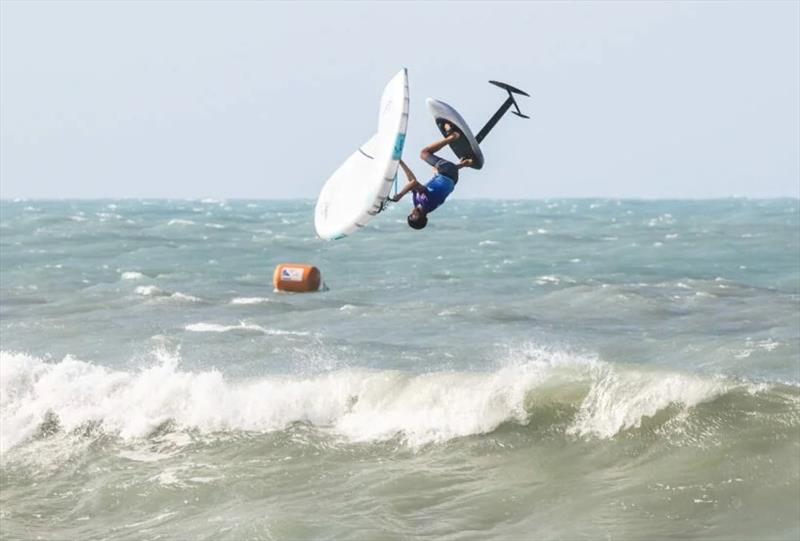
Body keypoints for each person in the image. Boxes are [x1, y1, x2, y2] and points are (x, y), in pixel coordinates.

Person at [390, 125, 473, 230]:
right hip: (447, 172)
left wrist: (400, 162)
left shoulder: (418, 203)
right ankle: (453, 136)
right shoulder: (427, 203)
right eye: (413, 217)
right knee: (424, 153)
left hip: (451, 178)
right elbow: (414, 183)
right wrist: (400, 195)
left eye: (410, 216)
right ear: (422, 217)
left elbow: (411, 181)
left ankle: (465, 163)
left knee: (435, 171)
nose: (411, 214)